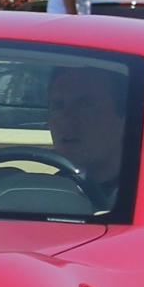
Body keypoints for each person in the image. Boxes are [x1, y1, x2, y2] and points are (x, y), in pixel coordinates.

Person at [46, 64, 129, 209]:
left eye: (85, 105)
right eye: (58, 106)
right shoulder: (35, 192)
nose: (67, 119)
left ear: (123, 119)